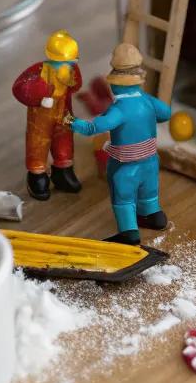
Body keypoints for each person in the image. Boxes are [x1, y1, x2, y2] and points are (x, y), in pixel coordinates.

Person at [70, 42, 171, 243]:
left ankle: (129, 232)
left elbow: (93, 128)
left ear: (116, 84)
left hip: (126, 165)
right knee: (148, 190)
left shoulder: (118, 110)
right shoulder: (147, 100)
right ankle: (154, 216)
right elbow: (166, 113)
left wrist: (72, 122)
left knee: (123, 196)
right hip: (150, 161)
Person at [12, 29, 83, 201]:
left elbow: (75, 85)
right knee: (38, 144)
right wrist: (41, 91)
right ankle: (37, 175)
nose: (68, 65)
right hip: (41, 115)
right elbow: (19, 87)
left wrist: (71, 78)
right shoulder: (38, 71)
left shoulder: (71, 70)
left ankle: (63, 171)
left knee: (64, 141)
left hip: (64, 111)